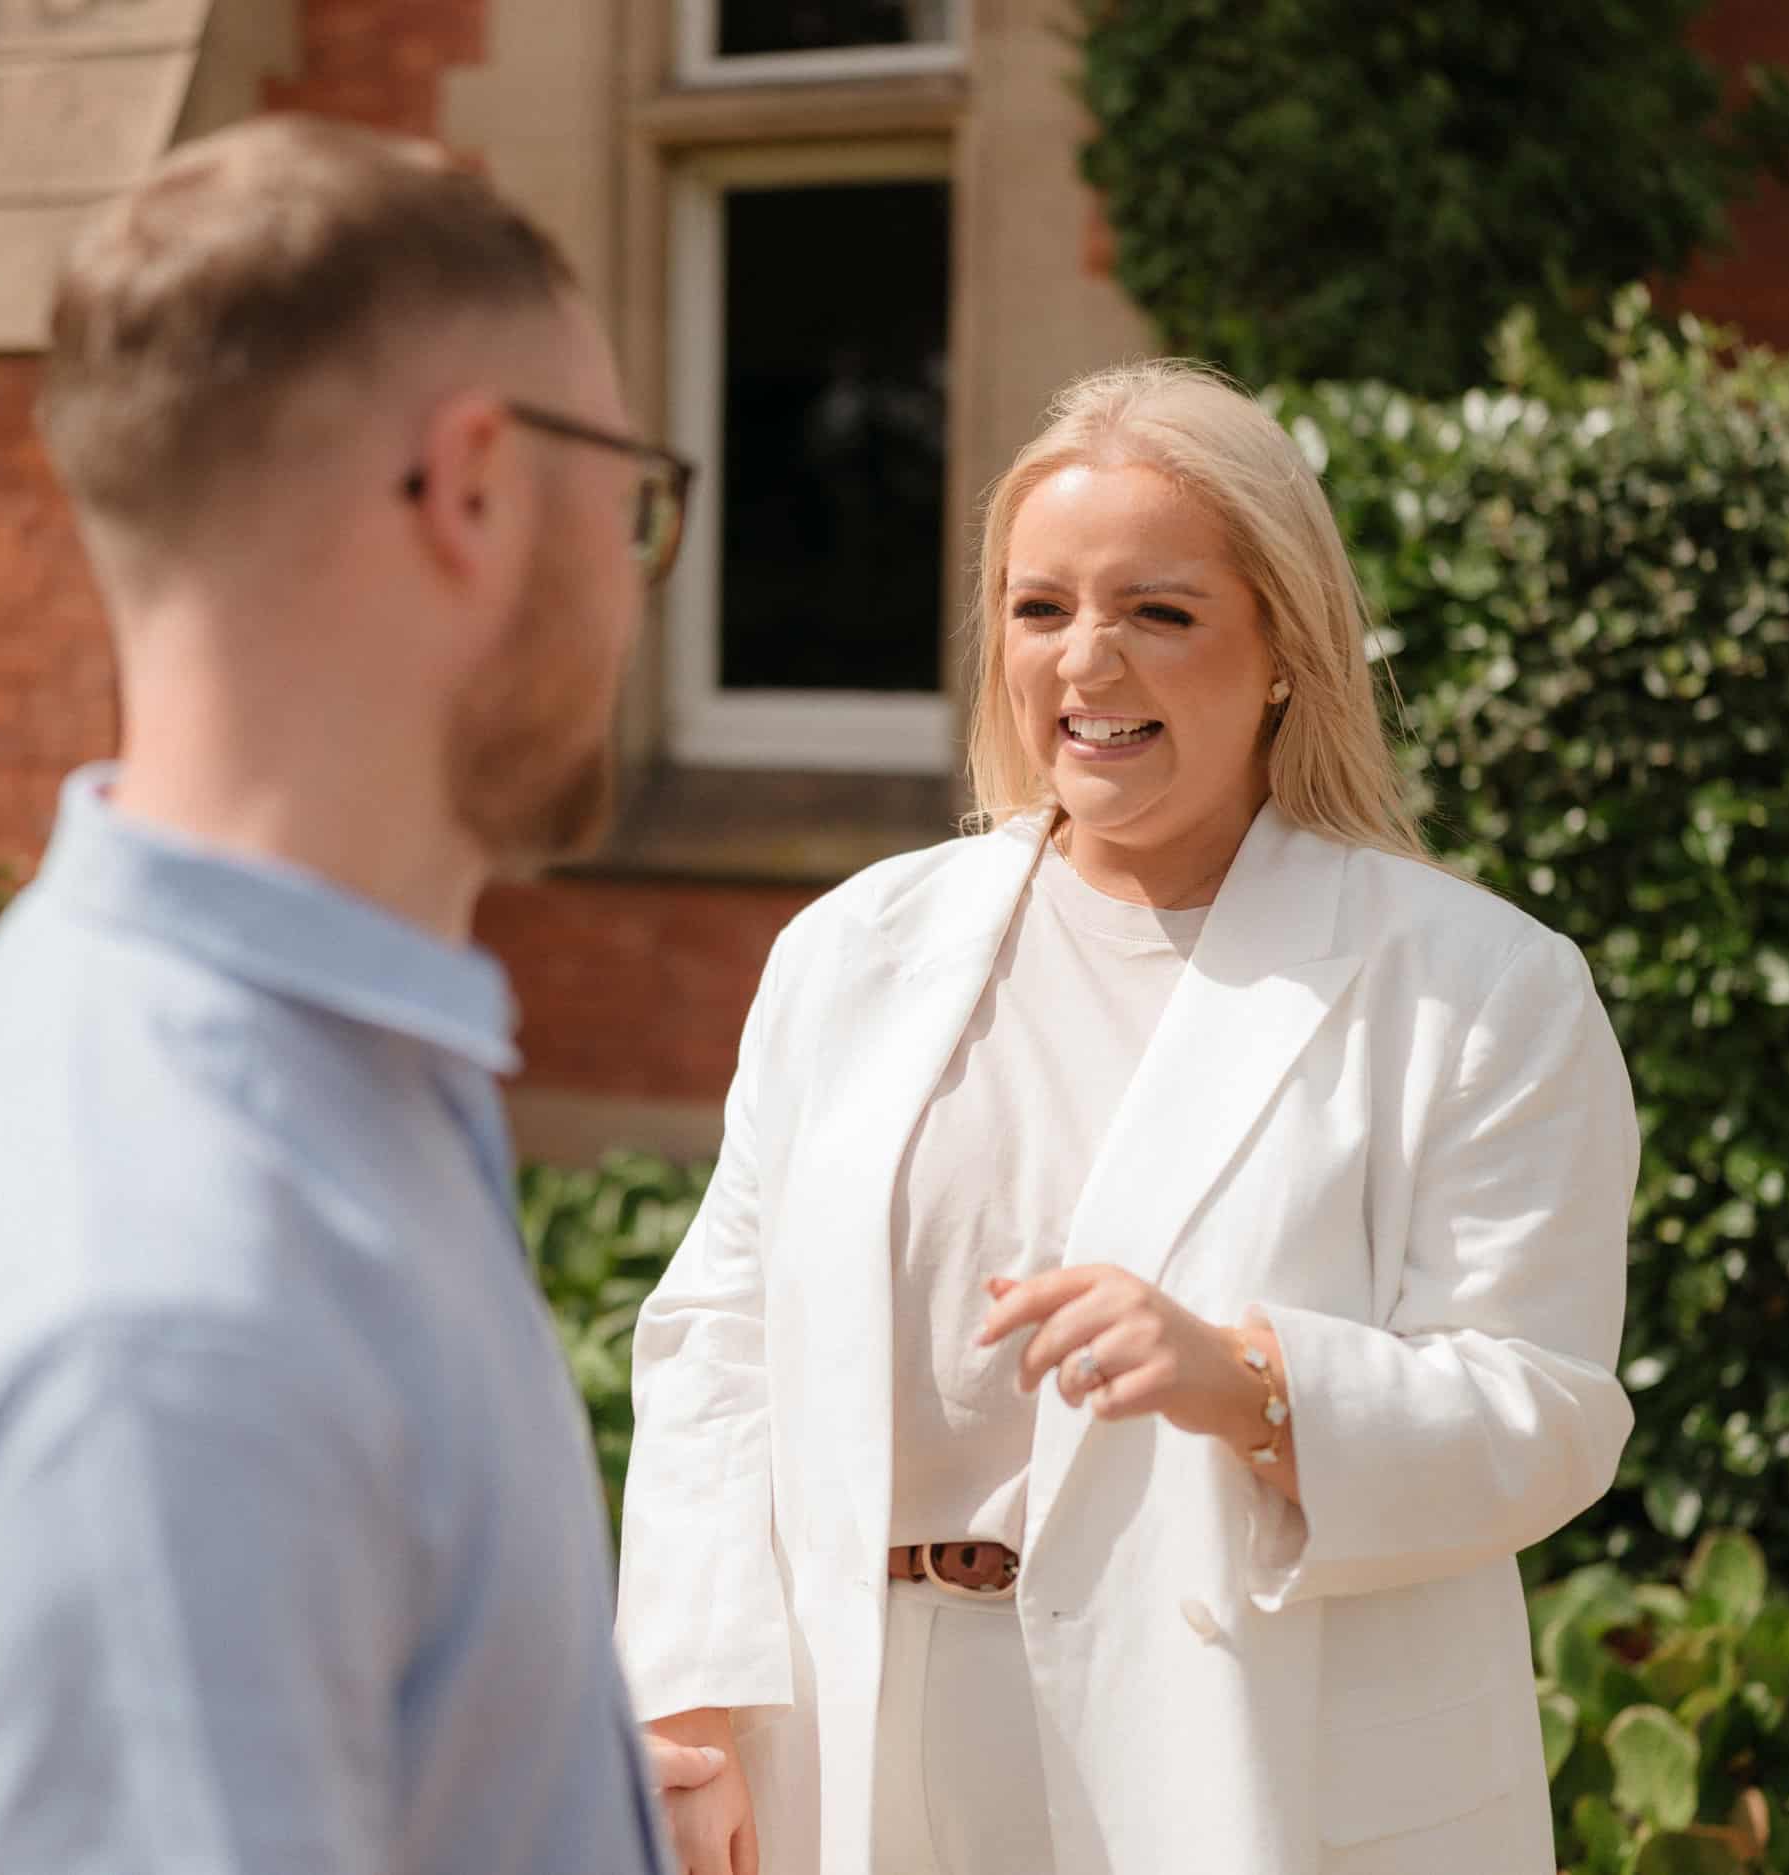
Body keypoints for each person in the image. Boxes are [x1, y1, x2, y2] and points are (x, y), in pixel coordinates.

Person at [0, 117, 712, 1875]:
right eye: (636, 502)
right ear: (476, 489)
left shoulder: (293, 1060)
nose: (637, 583)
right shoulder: (168, 1342)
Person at [618, 358, 1639, 1875]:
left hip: (1243, 1758)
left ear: (1285, 648)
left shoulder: (1480, 988)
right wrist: (690, 1702)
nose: (1087, 663)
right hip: (858, 1736)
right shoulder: (853, 950)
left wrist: (1249, 1382)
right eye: (1040, 609)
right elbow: (718, 1342)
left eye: (1160, 612)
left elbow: (1546, 1414)